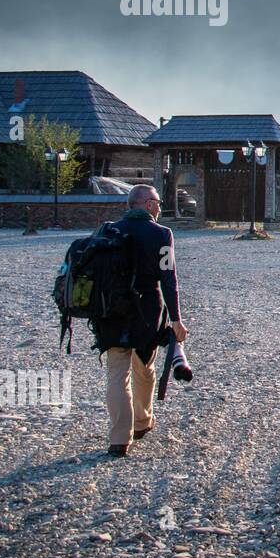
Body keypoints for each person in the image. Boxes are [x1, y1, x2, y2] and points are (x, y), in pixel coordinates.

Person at [98, 184, 188, 457]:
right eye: (158, 202)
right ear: (147, 204)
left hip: (109, 312)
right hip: (145, 313)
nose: (160, 207)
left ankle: (119, 440)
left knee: (116, 374)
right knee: (144, 368)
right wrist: (176, 319)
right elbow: (168, 279)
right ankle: (141, 421)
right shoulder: (161, 234)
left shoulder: (108, 230)